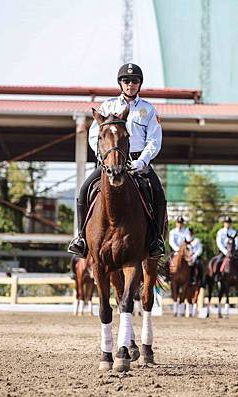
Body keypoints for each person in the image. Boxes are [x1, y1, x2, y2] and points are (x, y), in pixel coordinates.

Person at [67, 63, 166, 259]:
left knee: (157, 192)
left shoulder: (148, 109)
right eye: (126, 81)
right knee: (84, 189)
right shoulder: (108, 106)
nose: (130, 84)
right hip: (110, 163)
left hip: (138, 162)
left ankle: (156, 240)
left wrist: (142, 161)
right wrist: (105, 160)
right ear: (120, 83)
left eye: (135, 81)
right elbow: (94, 136)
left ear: (140, 84)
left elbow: (154, 139)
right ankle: (81, 238)